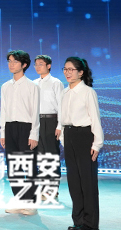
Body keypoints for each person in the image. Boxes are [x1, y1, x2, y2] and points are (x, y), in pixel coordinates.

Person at [59, 57, 103, 230]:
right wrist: (63, 139)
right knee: (74, 183)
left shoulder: (88, 92)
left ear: (80, 72)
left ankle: (90, 225)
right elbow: (62, 118)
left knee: (87, 183)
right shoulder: (64, 92)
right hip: (69, 136)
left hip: (84, 137)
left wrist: (97, 144)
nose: (67, 73)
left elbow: (95, 119)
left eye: (71, 69)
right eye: (65, 69)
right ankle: (78, 222)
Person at [0, 49, 40, 215]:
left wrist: (34, 134)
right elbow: (3, 110)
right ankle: (20, 199)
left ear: (24, 65)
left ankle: (31, 202)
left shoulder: (32, 86)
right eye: (9, 61)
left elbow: (35, 112)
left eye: (15, 61)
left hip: (26, 128)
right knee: (13, 167)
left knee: (29, 166)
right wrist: (3, 132)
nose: (11, 64)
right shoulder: (5, 86)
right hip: (10, 127)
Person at [32, 54, 63, 158]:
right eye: (36, 65)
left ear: (48, 66)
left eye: (40, 64)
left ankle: (53, 169)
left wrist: (60, 126)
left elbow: (61, 105)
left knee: (51, 151)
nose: (37, 67)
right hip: (37, 120)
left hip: (51, 121)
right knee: (39, 151)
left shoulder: (56, 83)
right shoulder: (33, 83)